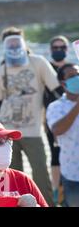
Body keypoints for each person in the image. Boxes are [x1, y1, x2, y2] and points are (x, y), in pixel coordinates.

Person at [0, 26, 62, 206]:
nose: (14, 46)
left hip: (32, 130)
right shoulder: (2, 69)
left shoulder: (37, 62)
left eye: (17, 42)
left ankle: (46, 204)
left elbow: (56, 90)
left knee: (40, 173)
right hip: (8, 131)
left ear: (23, 42)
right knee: (14, 177)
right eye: (10, 43)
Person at [46, 63, 79, 207]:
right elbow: (57, 129)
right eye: (72, 76)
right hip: (73, 173)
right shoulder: (56, 107)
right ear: (63, 83)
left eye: (78, 74)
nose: (77, 78)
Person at [43, 35, 70, 205]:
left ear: (67, 50)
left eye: (62, 47)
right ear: (50, 50)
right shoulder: (46, 68)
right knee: (55, 155)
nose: (59, 50)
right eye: (55, 48)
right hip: (51, 119)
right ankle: (56, 191)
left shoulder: (72, 69)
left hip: (73, 118)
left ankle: (69, 188)